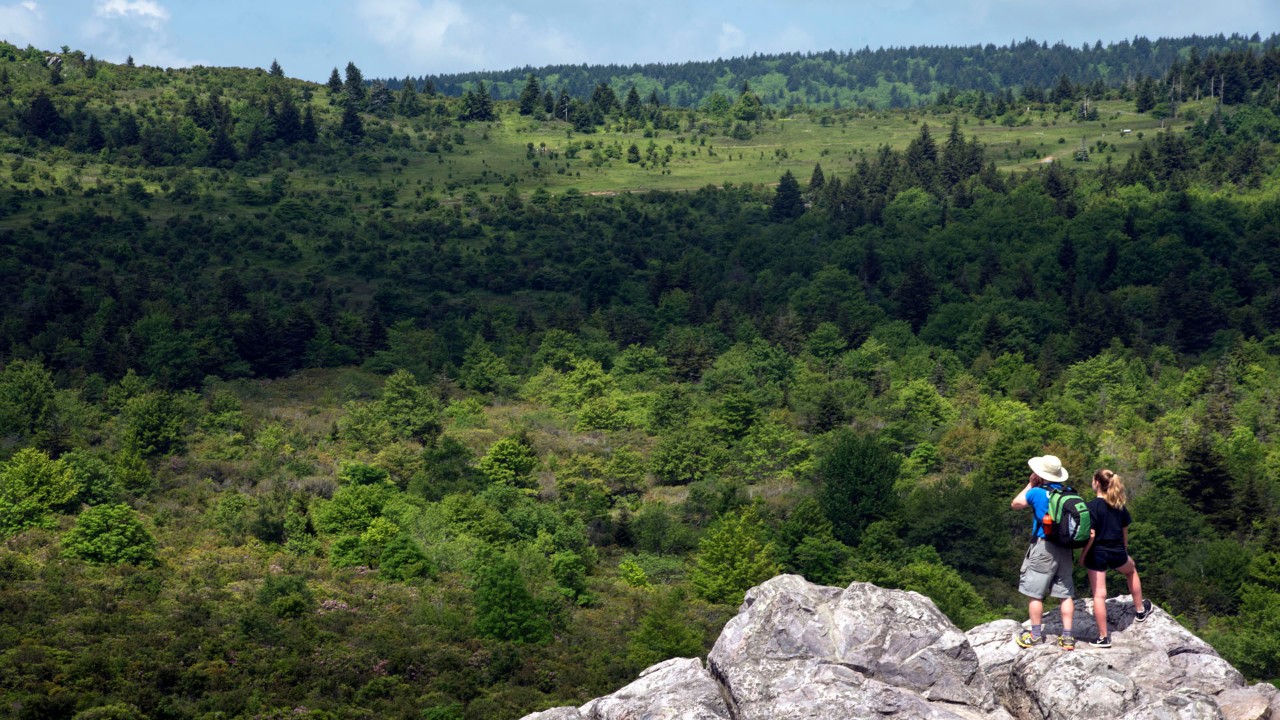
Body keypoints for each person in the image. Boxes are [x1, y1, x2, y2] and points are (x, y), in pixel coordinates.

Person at [1077, 469, 1152, 648]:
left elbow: (1091, 535)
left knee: (1099, 595)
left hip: (1097, 553)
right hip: (1117, 551)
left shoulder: (1090, 507)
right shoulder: (1119, 506)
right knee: (1131, 571)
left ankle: (1104, 637)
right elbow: (1124, 532)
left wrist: (1083, 555)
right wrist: (1124, 550)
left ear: (1096, 483)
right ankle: (1140, 610)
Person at [1010, 454, 1077, 650]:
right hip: (1066, 547)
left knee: (1035, 593)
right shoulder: (1069, 493)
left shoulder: (1037, 492)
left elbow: (1015, 504)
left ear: (1040, 474)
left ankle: (1035, 636)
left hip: (1044, 547)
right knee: (1065, 594)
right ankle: (1067, 637)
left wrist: (1030, 484)